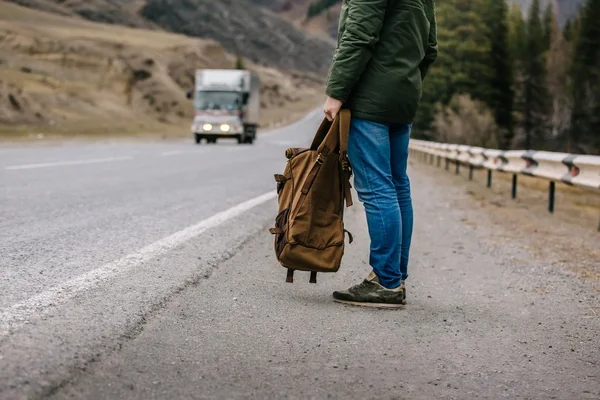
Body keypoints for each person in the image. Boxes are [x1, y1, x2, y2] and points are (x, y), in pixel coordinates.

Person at [323, 0, 438, 307]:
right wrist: (403, 82)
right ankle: (392, 277)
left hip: (370, 100)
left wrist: (336, 92)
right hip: (402, 98)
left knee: (377, 188)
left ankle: (386, 282)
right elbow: (430, 48)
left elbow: (359, 37)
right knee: (398, 186)